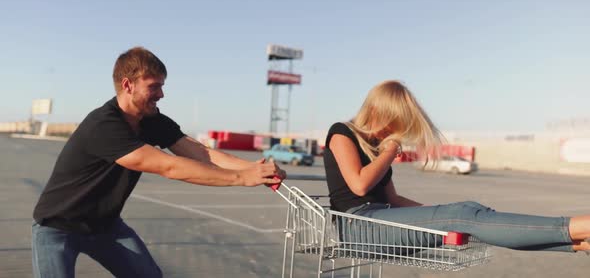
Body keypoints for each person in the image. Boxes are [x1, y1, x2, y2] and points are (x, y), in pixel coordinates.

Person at [31, 47, 287, 278]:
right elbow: (169, 166)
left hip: (105, 226)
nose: (162, 94)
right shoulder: (104, 125)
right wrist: (242, 178)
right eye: (154, 86)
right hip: (57, 227)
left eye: (162, 86)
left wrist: (255, 169)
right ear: (128, 85)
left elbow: (200, 152)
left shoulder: (152, 120)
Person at [323, 80, 589, 253]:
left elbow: (393, 199)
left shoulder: (378, 148)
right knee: (461, 215)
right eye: (396, 124)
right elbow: (359, 185)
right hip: (357, 224)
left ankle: (578, 243)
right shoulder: (342, 132)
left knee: (467, 215)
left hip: (379, 219)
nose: (397, 133)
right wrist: (390, 151)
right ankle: (578, 226)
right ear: (378, 112)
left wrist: (437, 213)